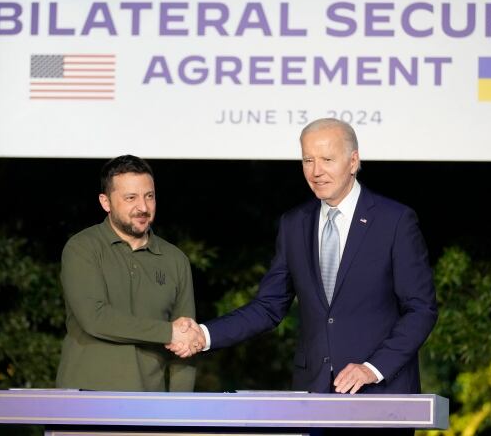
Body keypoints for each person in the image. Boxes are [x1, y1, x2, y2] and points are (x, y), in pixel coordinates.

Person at [169, 118, 437, 398]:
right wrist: (204, 335)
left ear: (353, 161)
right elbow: (268, 306)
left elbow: (421, 309)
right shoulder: (294, 224)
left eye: (327, 159)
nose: (316, 171)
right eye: (308, 160)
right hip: (314, 393)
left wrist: (373, 367)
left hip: (381, 392)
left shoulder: (394, 221)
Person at [56, 155, 200, 391]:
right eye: (130, 198)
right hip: (83, 402)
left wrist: (179, 414)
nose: (143, 207)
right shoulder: (82, 248)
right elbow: (95, 318)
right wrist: (167, 332)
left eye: (149, 196)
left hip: (148, 408)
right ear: (106, 202)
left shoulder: (175, 260)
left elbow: (187, 342)